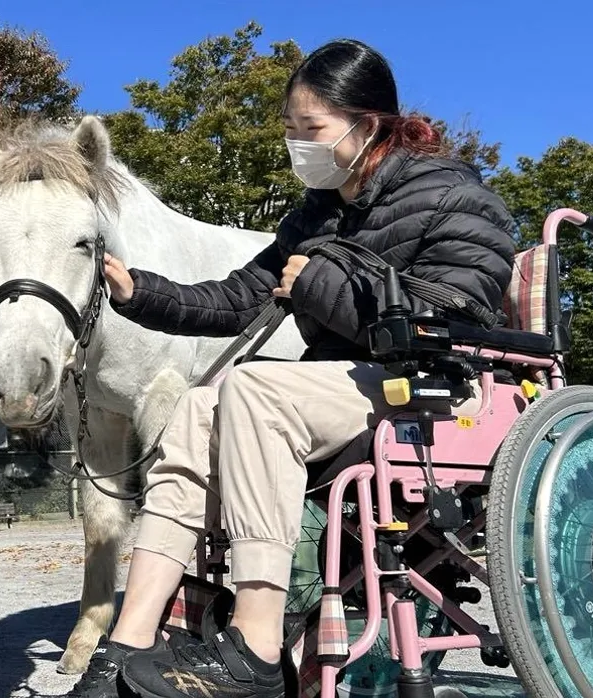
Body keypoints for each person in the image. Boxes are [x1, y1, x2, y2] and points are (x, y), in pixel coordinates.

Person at [68, 38, 516, 698]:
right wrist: (142, 292)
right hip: (348, 388)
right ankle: (127, 643)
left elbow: (455, 314)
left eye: (311, 130)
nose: (297, 145)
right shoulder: (319, 211)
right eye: (290, 131)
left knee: (252, 389)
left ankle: (253, 644)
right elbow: (234, 297)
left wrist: (319, 289)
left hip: (432, 392)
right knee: (198, 406)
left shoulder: (453, 195)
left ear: (367, 126)